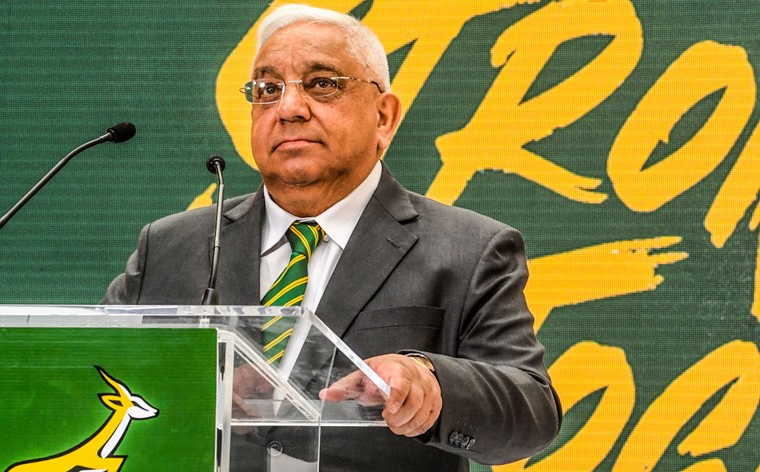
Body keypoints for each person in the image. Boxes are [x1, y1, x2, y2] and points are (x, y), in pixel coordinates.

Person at [104, 4, 560, 471]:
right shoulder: (170, 248)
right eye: (267, 89)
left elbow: (532, 412)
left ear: (383, 117)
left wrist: (429, 381)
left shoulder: (468, 249)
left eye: (322, 84)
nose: (288, 109)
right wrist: (192, 388)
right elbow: (91, 377)